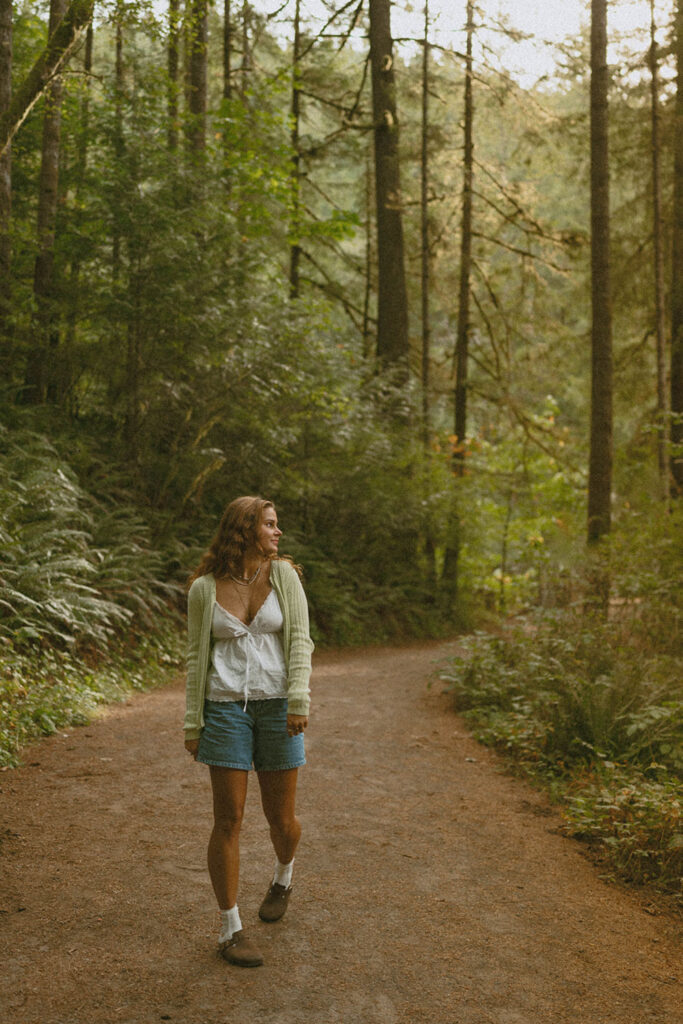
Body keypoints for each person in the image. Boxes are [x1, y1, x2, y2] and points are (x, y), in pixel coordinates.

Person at [184, 496, 314, 967]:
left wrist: (298, 700)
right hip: (224, 710)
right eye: (270, 525)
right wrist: (192, 722)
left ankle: (283, 874)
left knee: (282, 821)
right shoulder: (204, 589)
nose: (278, 533)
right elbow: (197, 658)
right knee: (228, 819)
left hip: (279, 707)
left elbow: (300, 639)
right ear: (245, 529)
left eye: (278, 525)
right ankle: (230, 929)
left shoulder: (285, 578)